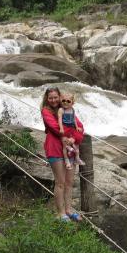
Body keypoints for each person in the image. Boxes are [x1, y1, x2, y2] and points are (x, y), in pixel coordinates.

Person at [41, 86, 84, 222]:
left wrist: (74, 138)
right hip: (54, 148)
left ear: (60, 97)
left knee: (69, 182)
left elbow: (81, 127)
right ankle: (60, 213)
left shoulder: (68, 109)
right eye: (50, 98)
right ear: (47, 99)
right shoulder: (46, 111)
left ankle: (69, 210)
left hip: (69, 149)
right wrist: (71, 133)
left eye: (55, 97)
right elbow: (55, 128)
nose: (53, 100)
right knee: (60, 182)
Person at [57, 93, 86, 169]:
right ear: (61, 101)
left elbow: (74, 120)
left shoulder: (72, 110)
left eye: (68, 101)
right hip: (65, 128)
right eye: (63, 101)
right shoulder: (61, 110)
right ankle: (67, 162)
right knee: (64, 144)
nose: (65, 102)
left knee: (76, 144)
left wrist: (77, 127)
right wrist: (61, 128)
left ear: (72, 103)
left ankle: (77, 158)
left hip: (71, 128)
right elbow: (59, 120)